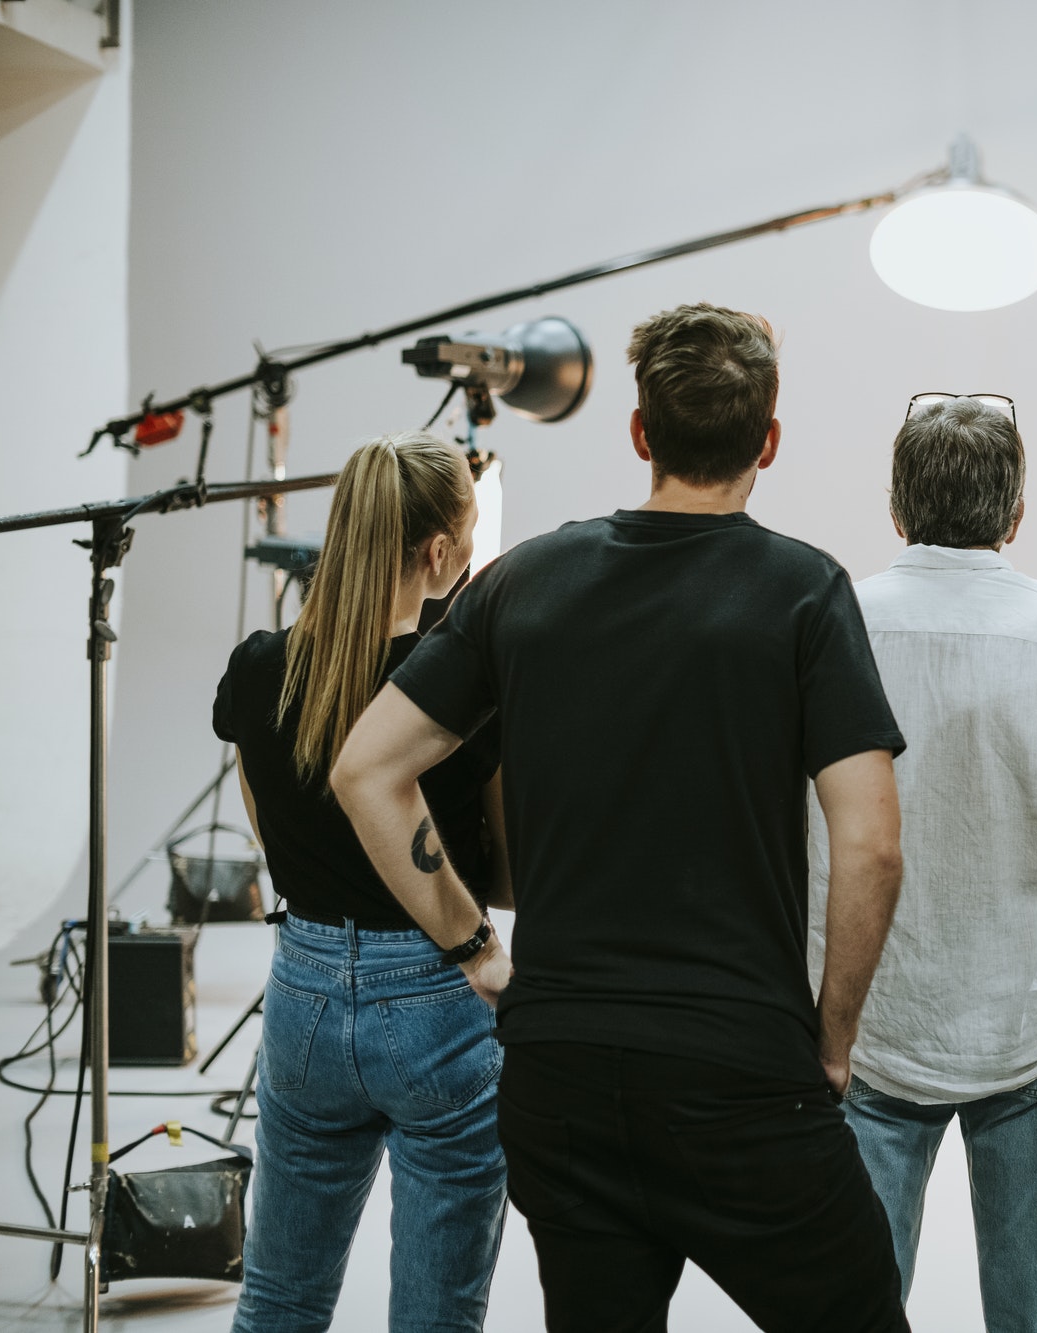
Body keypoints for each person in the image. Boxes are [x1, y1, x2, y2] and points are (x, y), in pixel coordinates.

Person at [329, 303, 912, 1333]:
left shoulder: (523, 581)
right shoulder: (804, 592)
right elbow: (869, 844)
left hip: (560, 1079)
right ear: (766, 441)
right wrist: (832, 1039)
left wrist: (476, 949)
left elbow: (367, 770)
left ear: (639, 433)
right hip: (739, 1072)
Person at [811, 395, 1037, 1332]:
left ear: (896, 506)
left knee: (850, 1309)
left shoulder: (830, 621)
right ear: (1015, 513)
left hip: (864, 1021)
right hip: (1030, 1015)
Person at [213, 431, 508, 1333]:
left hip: (301, 990)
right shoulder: (459, 689)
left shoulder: (263, 665)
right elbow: (500, 859)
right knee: (434, 1317)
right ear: (442, 553)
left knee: (279, 1298)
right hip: (434, 996)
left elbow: (264, 817)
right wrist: (482, 950)